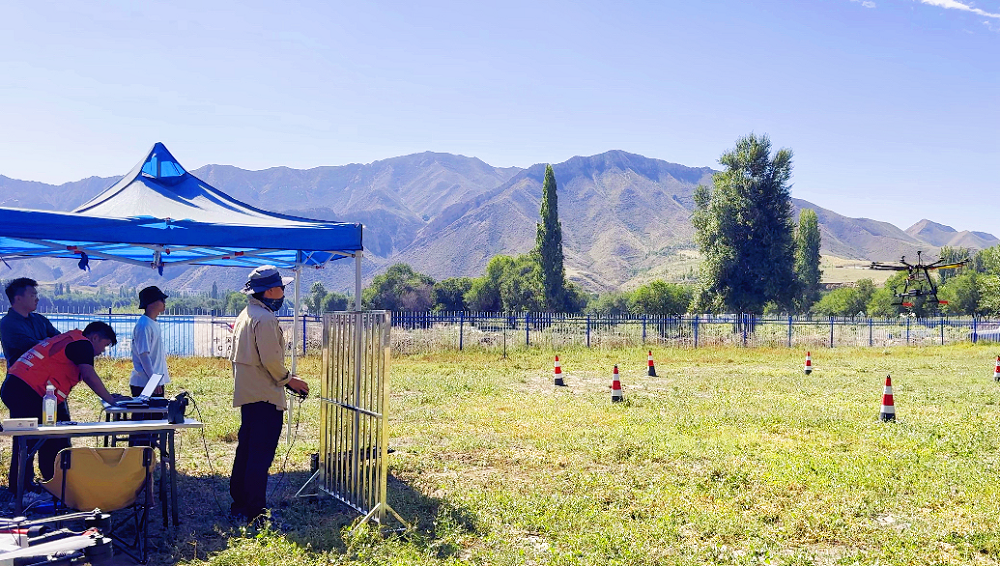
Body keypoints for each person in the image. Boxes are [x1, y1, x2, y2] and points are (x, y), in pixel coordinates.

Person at [1, 322, 124, 494]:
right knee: (29, 440)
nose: (102, 352)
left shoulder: (70, 338)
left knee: (49, 438)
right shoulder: (83, 344)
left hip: (22, 386)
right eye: (104, 345)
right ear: (95, 337)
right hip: (26, 390)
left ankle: (50, 483)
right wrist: (110, 399)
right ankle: (22, 490)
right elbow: (89, 375)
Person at [228, 265, 309, 522]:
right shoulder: (264, 319)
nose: (283, 293)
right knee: (260, 457)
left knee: (247, 451)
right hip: (265, 395)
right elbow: (271, 360)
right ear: (271, 291)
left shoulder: (246, 314)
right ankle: (256, 512)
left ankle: (239, 503)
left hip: (248, 393)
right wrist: (290, 381)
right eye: (281, 288)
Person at [129, 286, 170, 446]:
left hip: (153, 381)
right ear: (152, 303)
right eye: (161, 299)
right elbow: (144, 355)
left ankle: (148, 458)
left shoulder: (152, 323)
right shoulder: (144, 325)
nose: (164, 302)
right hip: (146, 383)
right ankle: (138, 459)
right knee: (143, 426)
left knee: (154, 423)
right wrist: (154, 381)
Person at [1, 278, 59, 368]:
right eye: (32, 296)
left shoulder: (40, 319)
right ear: (18, 298)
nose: (37, 299)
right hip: (20, 378)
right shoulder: (7, 324)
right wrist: (51, 342)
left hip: (46, 377)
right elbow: (34, 348)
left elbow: (60, 339)